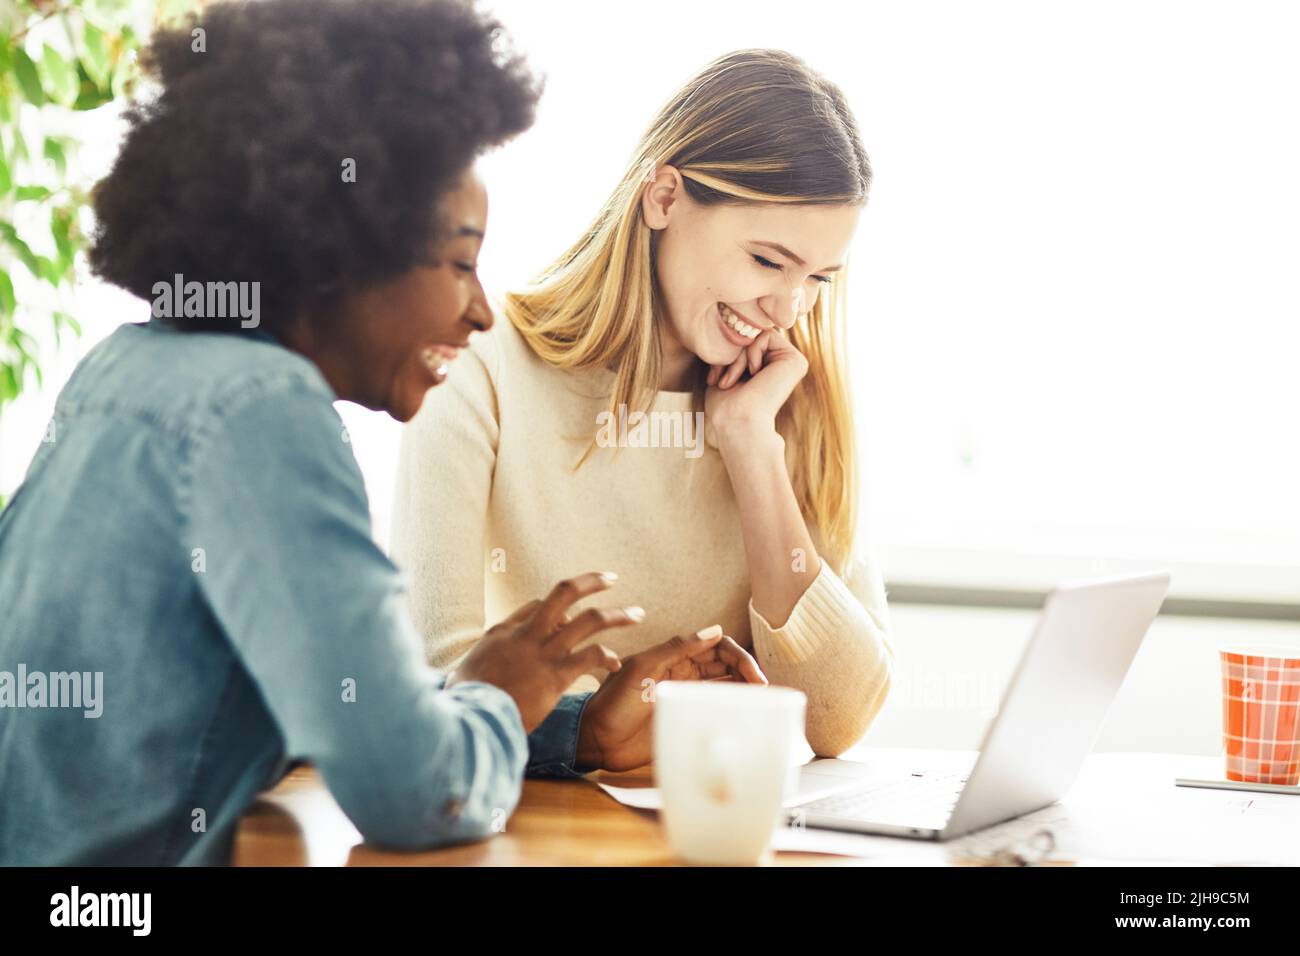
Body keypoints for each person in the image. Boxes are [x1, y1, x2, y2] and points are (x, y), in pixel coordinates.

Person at [0, 0, 757, 866]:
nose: (479, 311)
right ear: (338, 250)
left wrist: (558, 726)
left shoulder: (129, 367)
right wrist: (496, 704)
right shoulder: (263, 412)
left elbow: (334, 712)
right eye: (460, 261)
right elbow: (415, 796)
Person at [392, 49, 895, 768]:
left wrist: (752, 447)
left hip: (721, 826)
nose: (787, 308)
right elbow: (427, 685)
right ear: (662, 198)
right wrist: (590, 726)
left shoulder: (785, 397)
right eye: (767, 261)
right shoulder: (483, 366)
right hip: (532, 830)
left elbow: (838, 719)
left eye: (817, 277)